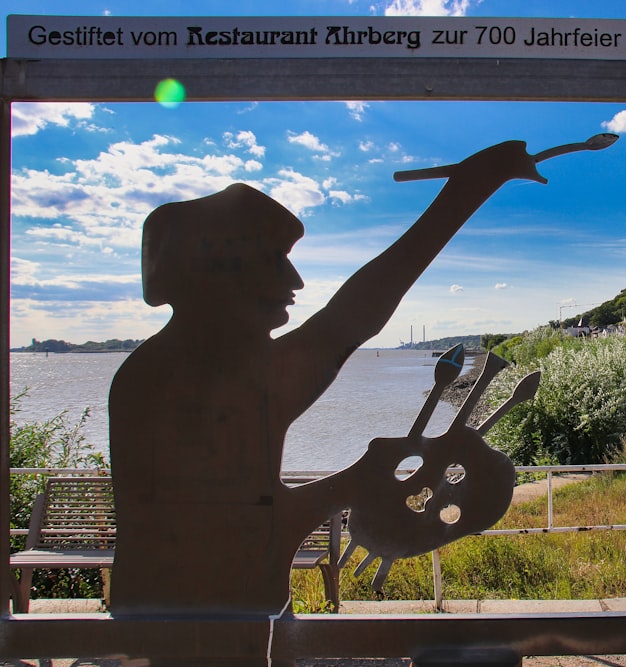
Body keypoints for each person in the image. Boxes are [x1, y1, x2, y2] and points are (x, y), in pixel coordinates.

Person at [109, 141, 551, 619]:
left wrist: (357, 484)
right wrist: (356, 483)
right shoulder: (199, 378)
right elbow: (221, 526)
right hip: (208, 624)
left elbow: (232, 516)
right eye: (275, 259)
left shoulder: (166, 371)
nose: (296, 282)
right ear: (217, 270)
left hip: (209, 608)